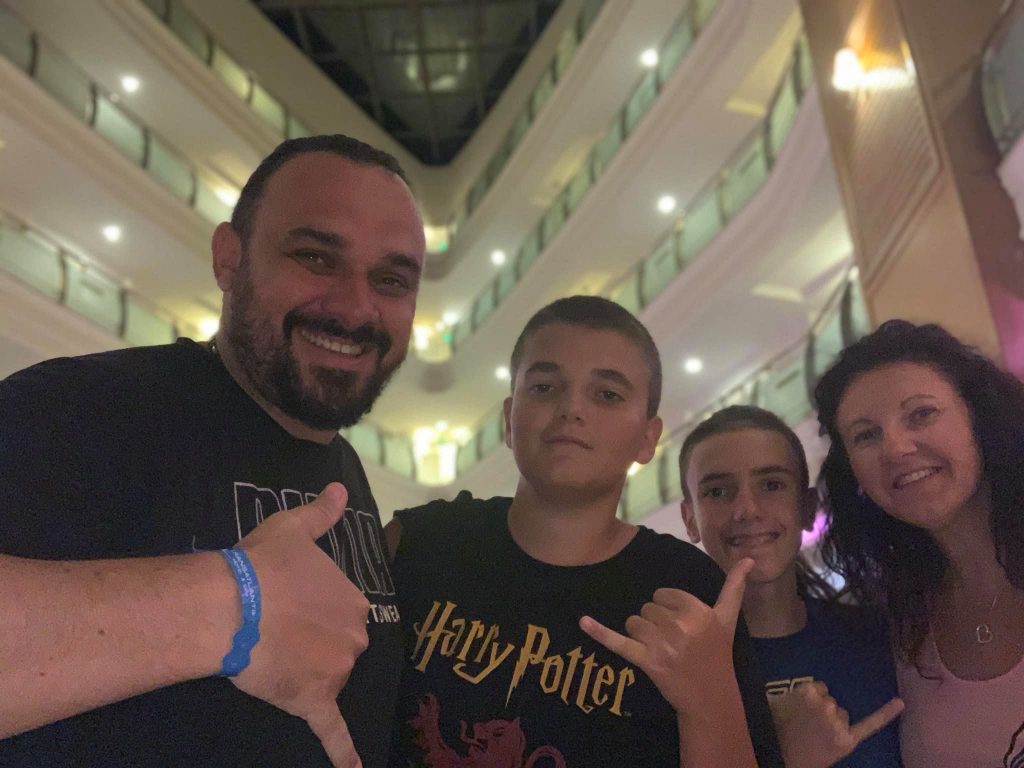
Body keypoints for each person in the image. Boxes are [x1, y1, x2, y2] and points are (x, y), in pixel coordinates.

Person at [0, 134, 426, 768]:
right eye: (315, 256)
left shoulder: (345, 472)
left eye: (391, 279)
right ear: (229, 259)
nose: (355, 308)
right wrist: (233, 604)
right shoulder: (75, 407)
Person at [385, 296, 783, 767]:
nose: (571, 408)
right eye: (544, 387)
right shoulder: (418, 543)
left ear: (648, 438)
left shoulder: (687, 592)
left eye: (607, 394)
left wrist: (710, 701)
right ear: (508, 420)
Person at [815, 319, 1024, 768]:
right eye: (866, 435)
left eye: (921, 414)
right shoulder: (895, 625)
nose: (895, 448)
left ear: (980, 417)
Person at [678, 405, 903, 768]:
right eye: (718, 491)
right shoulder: (674, 668)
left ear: (807, 507)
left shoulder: (882, 637)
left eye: (771, 485)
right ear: (690, 519)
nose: (747, 509)